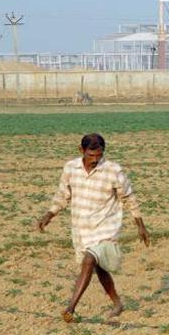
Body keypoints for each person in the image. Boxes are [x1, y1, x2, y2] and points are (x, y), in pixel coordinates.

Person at [36, 133, 150, 322]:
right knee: (99, 267)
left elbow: (128, 198)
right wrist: (49, 215)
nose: (95, 160)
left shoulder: (113, 170)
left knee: (89, 261)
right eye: (91, 155)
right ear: (81, 150)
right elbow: (63, 195)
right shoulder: (70, 168)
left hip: (106, 227)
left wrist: (140, 225)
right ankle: (117, 303)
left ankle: (70, 308)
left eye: (99, 155)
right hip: (82, 227)